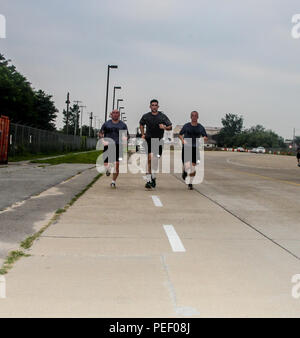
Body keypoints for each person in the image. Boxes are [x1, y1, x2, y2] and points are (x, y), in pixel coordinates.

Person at [139, 99, 172, 189]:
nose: (154, 106)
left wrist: (164, 127)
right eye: (152, 105)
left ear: (158, 107)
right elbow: (141, 124)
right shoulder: (146, 116)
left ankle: (153, 176)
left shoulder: (162, 116)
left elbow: (170, 127)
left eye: (155, 105)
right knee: (150, 159)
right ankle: (149, 181)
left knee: (155, 160)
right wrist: (142, 134)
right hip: (149, 139)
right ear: (150, 106)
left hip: (159, 140)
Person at [99, 110, 128, 188]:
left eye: (117, 113)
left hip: (118, 146)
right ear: (111, 115)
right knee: (106, 164)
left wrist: (125, 139)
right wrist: (102, 140)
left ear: (119, 115)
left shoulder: (123, 125)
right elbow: (101, 133)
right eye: (113, 113)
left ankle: (113, 182)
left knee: (117, 165)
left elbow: (126, 136)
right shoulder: (106, 124)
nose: (115, 114)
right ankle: (108, 169)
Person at [179, 111, 208, 190]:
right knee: (187, 165)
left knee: (193, 167)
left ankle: (190, 183)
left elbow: (205, 135)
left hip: (195, 148)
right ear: (190, 117)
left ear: (198, 117)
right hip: (187, 147)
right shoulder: (186, 126)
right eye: (193, 116)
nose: (194, 117)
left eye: (195, 116)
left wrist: (205, 138)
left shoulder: (200, 127)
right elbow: (180, 134)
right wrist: (182, 140)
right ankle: (185, 171)